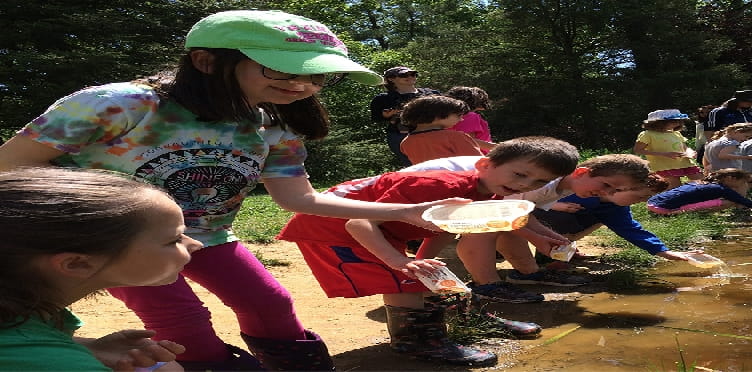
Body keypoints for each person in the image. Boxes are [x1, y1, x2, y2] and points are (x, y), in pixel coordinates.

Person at [0, 10, 465, 371]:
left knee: (271, 303)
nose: (302, 85)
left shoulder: (273, 123)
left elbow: (297, 198)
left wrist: (412, 208)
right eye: (281, 72)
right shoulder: (120, 105)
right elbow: (9, 170)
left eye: (315, 75)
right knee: (184, 323)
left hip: (208, 234)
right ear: (207, 62)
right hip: (119, 244)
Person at [277, 137, 580, 367]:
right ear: (485, 165)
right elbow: (359, 221)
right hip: (332, 228)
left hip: (380, 228)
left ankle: (468, 320)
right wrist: (399, 261)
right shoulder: (437, 187)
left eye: (540, 182)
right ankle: (416, 342)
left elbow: (442, 228)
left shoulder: (491, 191)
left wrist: (422, 260)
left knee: (432, 275)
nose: (526, 185)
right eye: (519, 175)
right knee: (402, 280)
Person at [0, 167, 200, 371]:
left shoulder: (22, 307)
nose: (195, 244)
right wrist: (69, 355)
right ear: (77, 263)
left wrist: (87, 347)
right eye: (174, 240)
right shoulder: (52, 363)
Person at [410, 154, 653, 302]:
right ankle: (486, 285)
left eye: (613, 192)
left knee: (499, 223)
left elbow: (521, 214)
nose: (606, 194)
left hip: (457, 196)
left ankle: (527, 273)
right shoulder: (543, 181)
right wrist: (537, 239)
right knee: (486, 227)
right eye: (606, 185)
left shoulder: (565, 185)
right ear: (582, 172)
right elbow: (499, 214)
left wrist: (550, 236)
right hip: (420, 193)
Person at [511, 174, 693, 286]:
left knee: (591, 219)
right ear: (616, 188)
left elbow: (631, 230)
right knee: (567, 218)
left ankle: (563, 251)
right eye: (640, 196)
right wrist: (556, 205)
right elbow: (529, 201)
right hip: (524, 218)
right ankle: (548, 257)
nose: (642, 201)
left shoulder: (615, 208)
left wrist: (665, 251)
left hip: (542, 223)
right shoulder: (582, 190)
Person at [646, 168, 752, 217]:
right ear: (731, 178)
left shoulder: (700, 182)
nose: (743, 185)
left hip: (652, 203)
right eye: (742, 182)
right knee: (732, 201)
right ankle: (678, 214)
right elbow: (749, 203)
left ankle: (679, 212)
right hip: (663, 210)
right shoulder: (721, 189)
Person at [369, 66, 440, 166]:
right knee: (415, 165)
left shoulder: (432, 93)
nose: (410, 77)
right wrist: (386, 115)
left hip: (435, 133)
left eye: (413, 74)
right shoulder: (383, 98)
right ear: (391, 79)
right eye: (404, 75)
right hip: (402, 136)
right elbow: (377, 118)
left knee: (439, 163)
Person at [399, 95, 486, 164]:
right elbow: (479, 163)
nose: (461, 119)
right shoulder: (456, 137)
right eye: (458, 115)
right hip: (459, 181)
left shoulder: (406, 142)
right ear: (438, 115)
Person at [633, 109, 702, 189]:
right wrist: (665, 154)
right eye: (674, 121)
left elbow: (685, 147)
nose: (678, 123)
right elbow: (638, 150)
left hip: (685, 163)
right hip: (664, 166)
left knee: (702, 181)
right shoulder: (648, 134)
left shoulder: (676, 133)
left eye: (679, 121)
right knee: (675, 189)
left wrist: (690, 152)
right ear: (659, 123)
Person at [444, 86, 495, 153]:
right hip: (475, 157)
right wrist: (497, 147)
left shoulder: (449, 116)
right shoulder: (469, 116)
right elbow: (468, 141)